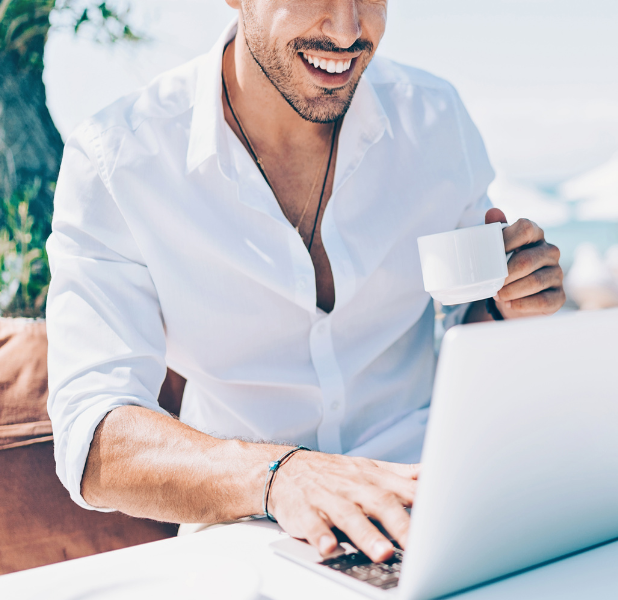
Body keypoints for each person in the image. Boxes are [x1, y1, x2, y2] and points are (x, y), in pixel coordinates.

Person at [46, 0, 564, 564]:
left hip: (437, 499)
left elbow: (472, 322)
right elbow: (93, 441)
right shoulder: (119, 160)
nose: (347, 29)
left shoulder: (437, 119)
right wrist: (281, 476)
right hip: (252, 529)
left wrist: (509, 305)